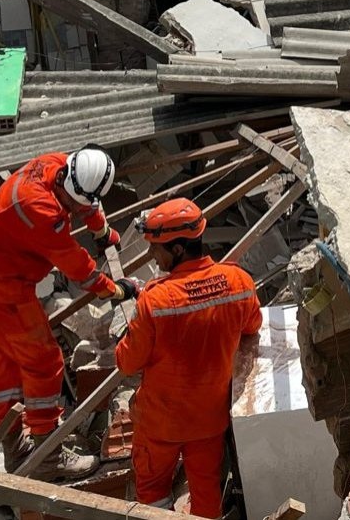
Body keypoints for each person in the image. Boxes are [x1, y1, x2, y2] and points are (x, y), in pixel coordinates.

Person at [0, 146, 132, 481]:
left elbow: (89, 203)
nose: (79, 209)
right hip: (0, 287)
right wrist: (117, 289)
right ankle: (48, 456)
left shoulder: (59, 164)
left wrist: (102, 231)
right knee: (45, 361)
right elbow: (78, 268)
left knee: (4, 359)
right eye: (77, 204)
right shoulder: (39, 209)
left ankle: (15, 449)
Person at [116, 198, 262, 518]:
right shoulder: (238, 282)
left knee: (153, 493)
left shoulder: (155, 301)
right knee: (207, 496)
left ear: (178, 249)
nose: (153, 256)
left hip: (160, 422)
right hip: (208, 421)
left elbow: (127, 362)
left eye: (157, 248)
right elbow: (252, 327)